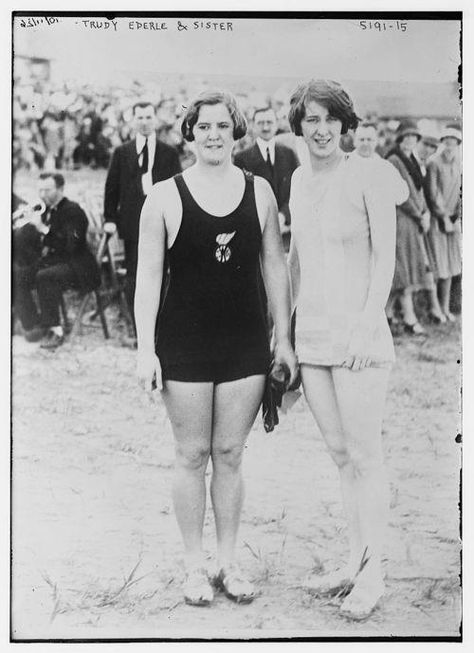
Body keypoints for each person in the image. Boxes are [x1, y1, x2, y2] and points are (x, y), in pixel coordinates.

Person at [135, 90, 298, 607]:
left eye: (223, 127)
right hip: (182, 342)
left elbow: (275, 265)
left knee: (229, 454)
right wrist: (145, 349)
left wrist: (284, 339)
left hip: (245, 341)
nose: (212, 134)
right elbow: (147, 279)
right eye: (203, 126)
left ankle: (228, 564)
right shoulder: (163, 196)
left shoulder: (261, 193)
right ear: (189, 132)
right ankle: (193, 566)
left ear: (236, 132)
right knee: (191, 453)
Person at [287, 79, 398, 620]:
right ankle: (354, 560)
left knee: (364, 454)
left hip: (359, 337)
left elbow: (386, 260)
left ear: (346, 125)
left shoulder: (370, 175)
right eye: (311, 119)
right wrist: (283, 333)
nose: (322, 129)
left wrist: (365, 324)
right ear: (299, 125)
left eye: (331, 119)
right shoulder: (296, 180)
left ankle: (375, 573)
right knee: (339, 455)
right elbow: (294, 259)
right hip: (312, 336)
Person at [104, 101, 181, 334]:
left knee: (163, 275)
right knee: (135, 277)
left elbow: (177, 188)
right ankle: (140, 330)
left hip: (163, 226)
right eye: (140, 118)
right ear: (133, 120)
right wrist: (110, 218)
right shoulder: (122, 152)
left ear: (156, 119)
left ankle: (161, 328)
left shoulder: (169, 152)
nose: (145, 122)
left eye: (149, 117)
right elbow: (111, 188)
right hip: (132, 226)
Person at [13, 172, 100, 349]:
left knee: (46, 276)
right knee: (15, 276)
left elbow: (71, 247)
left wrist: (43, 229)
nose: (42, 194)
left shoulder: (73, 211)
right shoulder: (45, 211)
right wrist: (24, 230)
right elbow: (34, 243)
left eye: (47, 190)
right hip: (55, 262)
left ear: (60, 189)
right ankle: (34, 326)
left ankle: (56, 331)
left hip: (78, 265)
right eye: (40, 190)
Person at [384, 120, 444, 334]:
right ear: (400, 138)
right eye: (406, 136)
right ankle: (408, 319)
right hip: (401, 219)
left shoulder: (409, 159)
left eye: (414, 137)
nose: (410, 140)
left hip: (412, 220)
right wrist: (420, 214)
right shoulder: (394, 160)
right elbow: (403, 195)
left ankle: (387, 316)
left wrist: (424, 213)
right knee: (403, 272)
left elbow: (418, 191)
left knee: (405, 272)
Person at [234, 106, 299, 251]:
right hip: (258, 234)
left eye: (269, 122)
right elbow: (244, 197)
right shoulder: (242, 159)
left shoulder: (288, 154)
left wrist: (283, 216)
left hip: (288, 233)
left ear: (276, 124)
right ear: (252, 126)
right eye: (260, 123)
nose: (265, 127)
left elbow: (297, 190)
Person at [424, 123, 462, 321]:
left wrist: (457, 217)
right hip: (437, 222)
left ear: (457, 144)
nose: (449, 146)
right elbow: (433, 194)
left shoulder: (460, 163)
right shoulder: (434, 163)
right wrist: (444, 217)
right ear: (442, 143)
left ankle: (446, 308)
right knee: (440, 267)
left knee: (451, 266)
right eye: (446, 142)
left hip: (453, 222)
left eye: (453, 142)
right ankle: (435, 308)